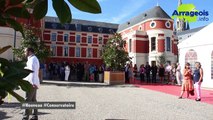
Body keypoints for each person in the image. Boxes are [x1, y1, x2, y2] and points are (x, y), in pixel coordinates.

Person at [23, 48, 40, 120]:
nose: (24, 53)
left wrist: (33, 83)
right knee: (33, 100)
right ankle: (35, 116)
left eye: (25, 51)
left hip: (30, 83)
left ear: (29, 52)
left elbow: (32, 71)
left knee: (27, 100)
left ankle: (25, 117)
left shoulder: (32, 59)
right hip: (32, 82)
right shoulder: (33, 58)